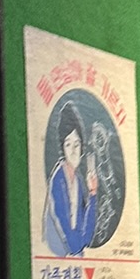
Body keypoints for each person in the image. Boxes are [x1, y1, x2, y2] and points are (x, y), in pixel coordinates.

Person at [43, 106, 99, 257]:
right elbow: (70, 239)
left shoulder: (78, 182)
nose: (73, 151)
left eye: (77, 144)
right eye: (68, 144)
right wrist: (79, 252)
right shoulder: (58, 180)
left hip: (74, 257)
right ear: (63, 148)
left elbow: (86, 237)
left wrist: (93, 193)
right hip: (58, 256)